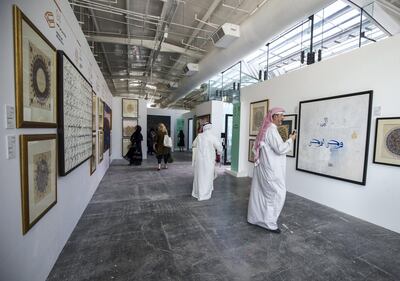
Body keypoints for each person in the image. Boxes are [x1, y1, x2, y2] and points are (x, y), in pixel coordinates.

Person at [247, 107, 296, 234]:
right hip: (271, 170)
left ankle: (255, 218)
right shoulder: (271, 131)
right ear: (273, 117)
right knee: (277, 194)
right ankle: (269, 223)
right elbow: (280, 149)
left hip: (264, 167)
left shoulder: (265, 130)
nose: (282, 118)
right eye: (280, 116)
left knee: (261, 193)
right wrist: (291, 140)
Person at [192, 123, 223, 201]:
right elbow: (219, 148)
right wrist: (219, 153)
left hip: (199, 161)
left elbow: (193, 144)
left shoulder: (199, 136)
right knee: (207, 176)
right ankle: (204, 194)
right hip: (208, 160)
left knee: (199, 176)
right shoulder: (212, 137)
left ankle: (197, 193)